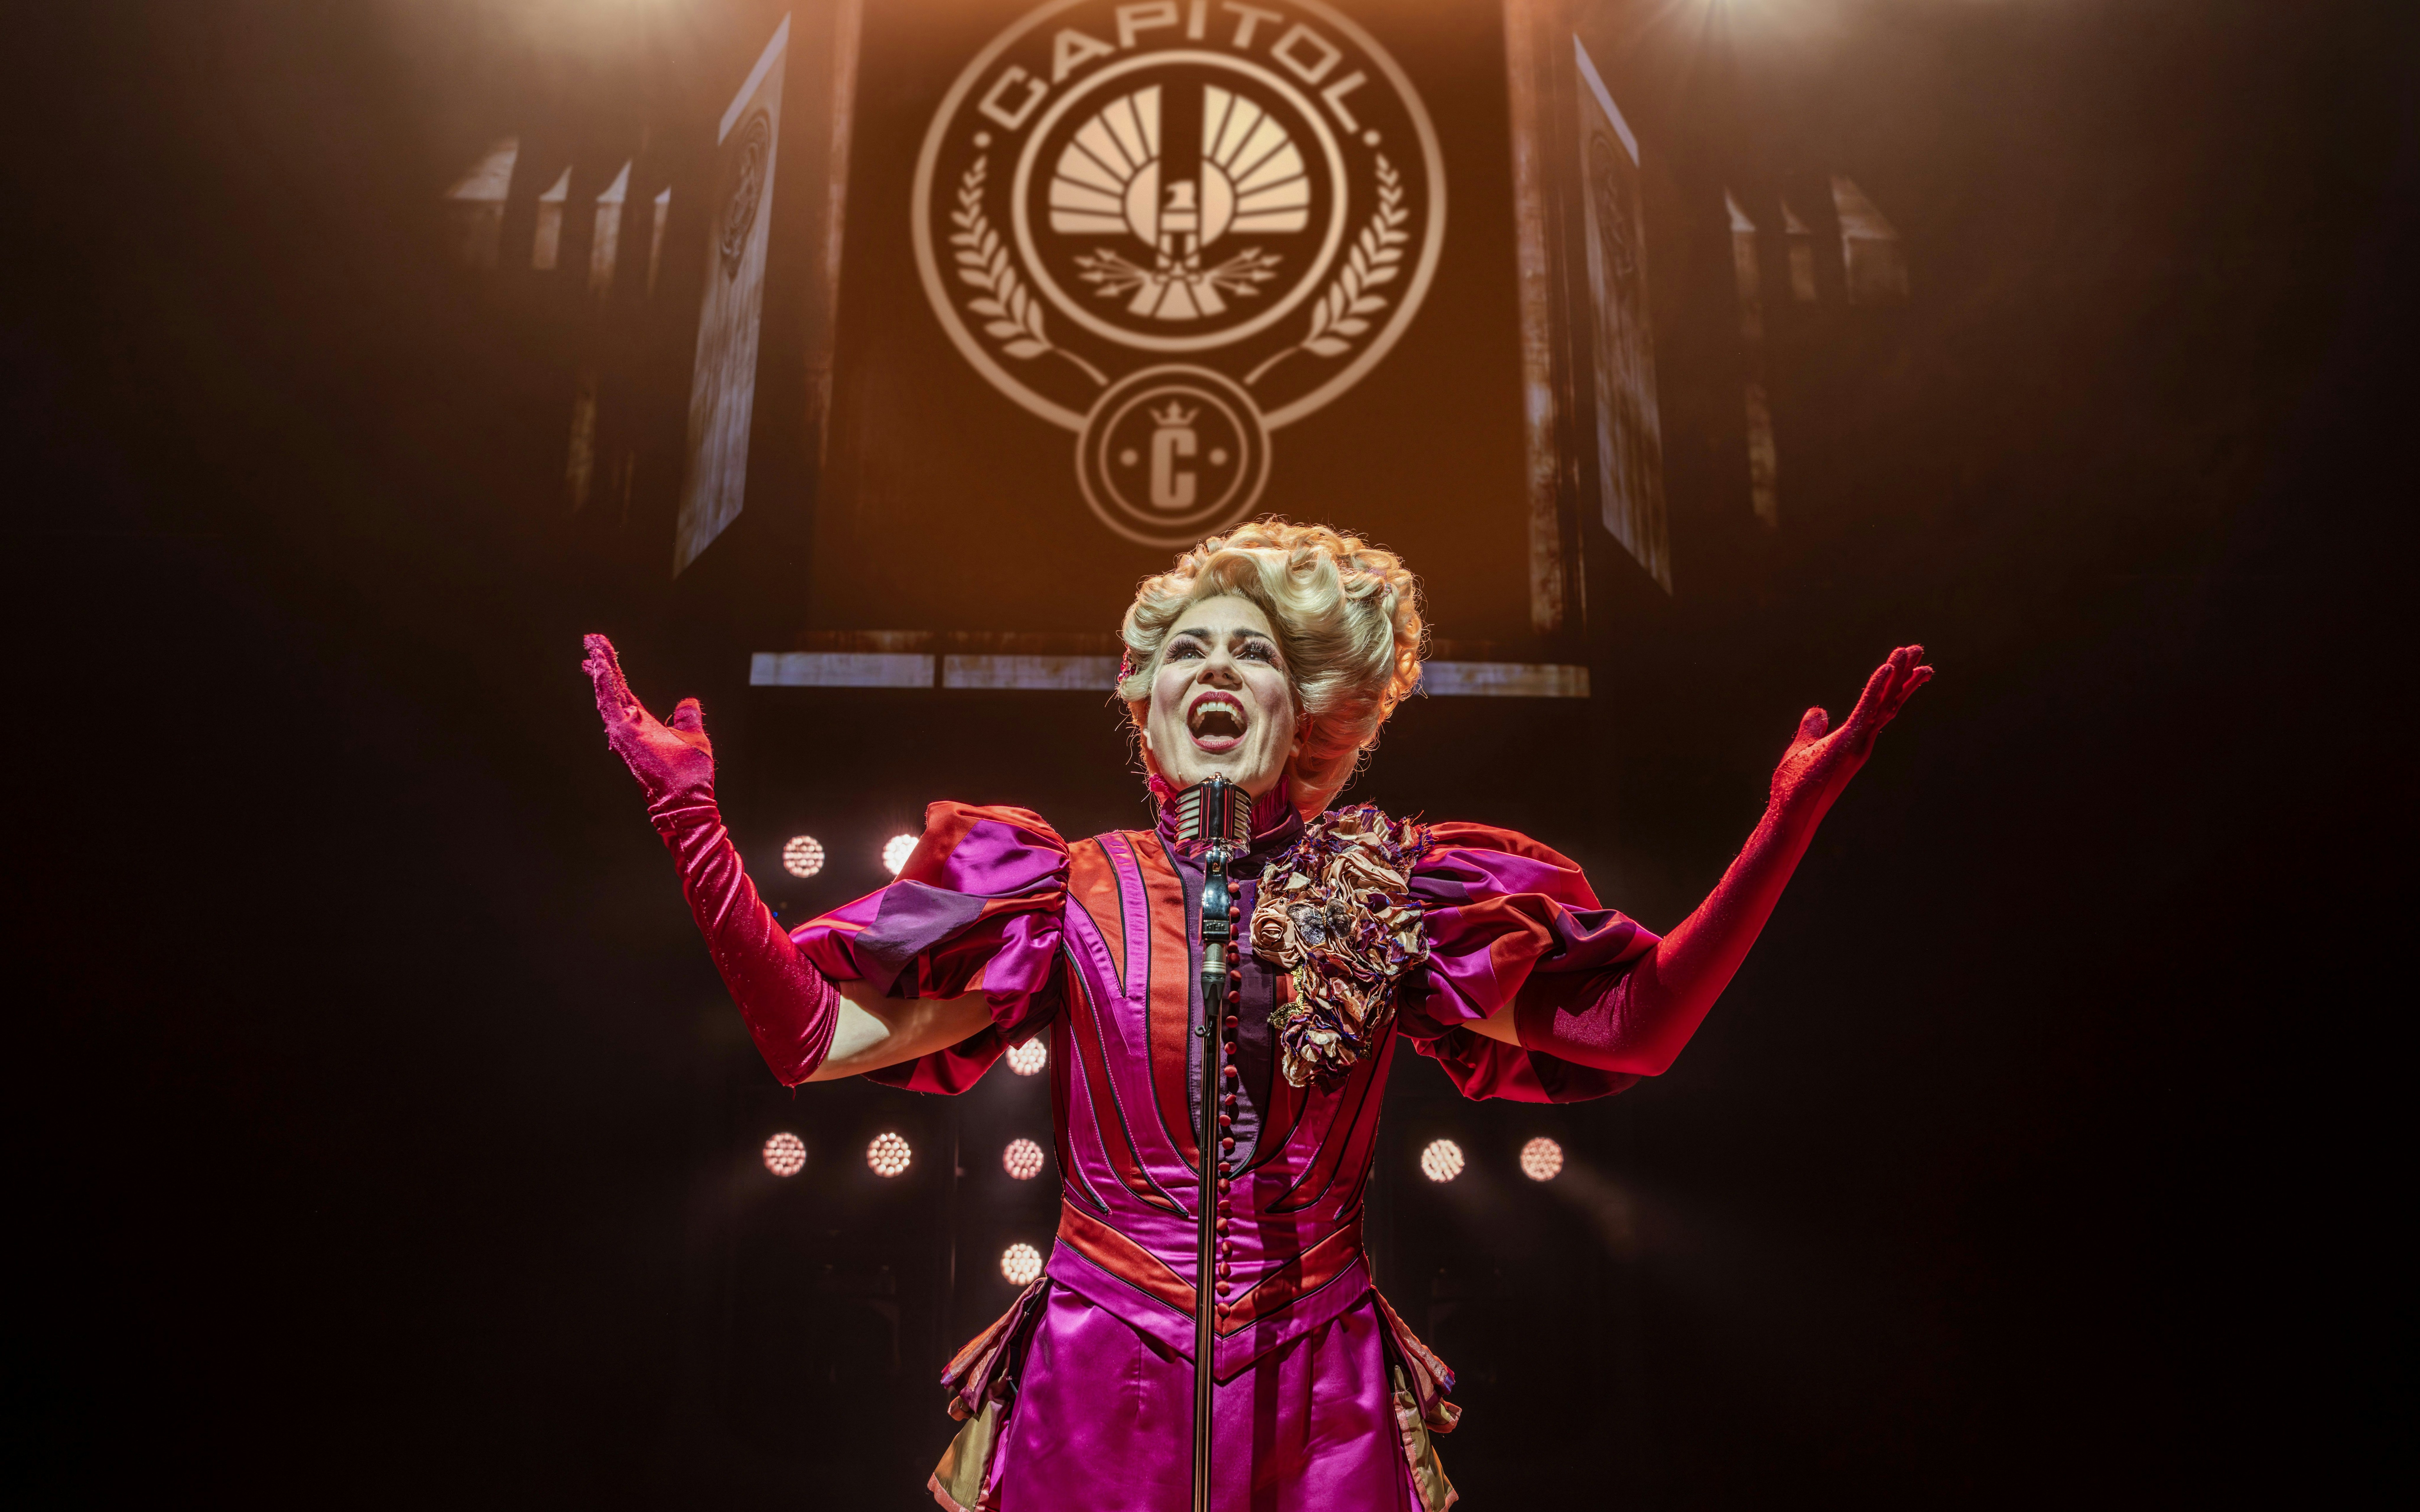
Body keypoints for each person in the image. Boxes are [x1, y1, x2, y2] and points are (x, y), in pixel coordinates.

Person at [584, 520, 1929, 1512]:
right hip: (1092, 1375)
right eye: (1187, 648)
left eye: (1254, 652)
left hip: (1322, 1387)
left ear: (1308, 714)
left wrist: (1785, 819)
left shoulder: (1397, 882)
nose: (1217, 665)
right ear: (1145, 698)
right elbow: (807, 1033)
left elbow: (1635, 1026)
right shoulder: (1063, 887)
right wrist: (687, 814)